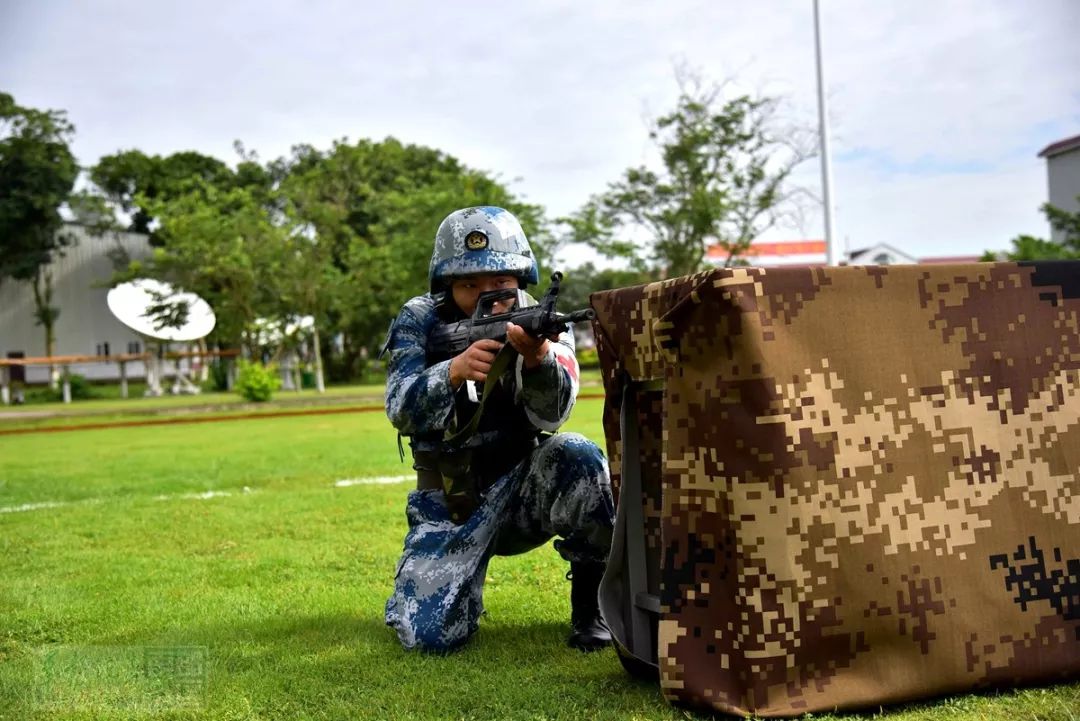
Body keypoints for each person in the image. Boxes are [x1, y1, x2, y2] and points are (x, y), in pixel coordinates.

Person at [383, 206, 615, 653]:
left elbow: (556, 412)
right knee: (430, 639)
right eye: (469, 285)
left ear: (520, 278)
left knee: (579, 455)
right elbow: (399, 406)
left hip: (523, 490)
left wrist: (537, 360)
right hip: (450, 502)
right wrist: (451, 372)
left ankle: (595, 607)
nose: (486, 295)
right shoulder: (420, 319)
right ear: (446, 283)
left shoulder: (543, 321)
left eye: (500, 285)